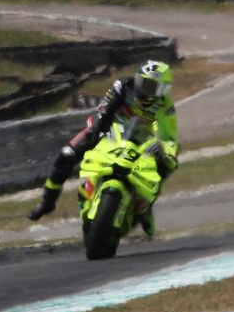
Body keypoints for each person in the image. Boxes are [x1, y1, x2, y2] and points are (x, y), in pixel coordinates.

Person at [27, 60, 179, 235]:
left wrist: (162, 148)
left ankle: (145, 208)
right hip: (108, 129)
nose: (145, 89)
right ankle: (47, 202)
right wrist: (97, 130)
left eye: (153, 86)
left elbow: (169, 136)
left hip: (141, 139)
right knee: (66, 155)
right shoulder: (123, 85)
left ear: (163, 90)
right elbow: (105, 109)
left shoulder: (165, 106)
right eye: (144, 82)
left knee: (165, 164)